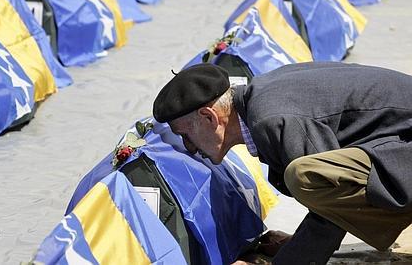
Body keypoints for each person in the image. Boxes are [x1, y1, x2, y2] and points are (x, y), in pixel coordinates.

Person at [152, 62, 412, 264]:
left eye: (185, 135)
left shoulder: (272, 119)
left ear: (209, 117)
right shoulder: (263, 94)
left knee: (305, 176)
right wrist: (298, 244)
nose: (189, 147)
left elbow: (329, 200)